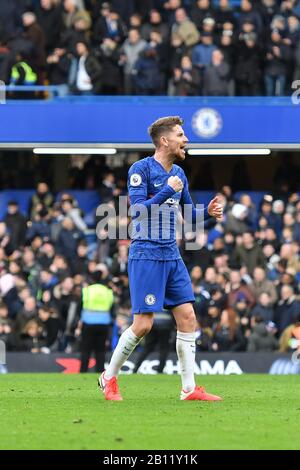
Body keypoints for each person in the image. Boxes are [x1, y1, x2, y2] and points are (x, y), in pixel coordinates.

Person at [98, 115, 223, 401]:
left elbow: (189, 216)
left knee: (188, 317)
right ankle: (109, 377)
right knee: (143, 325)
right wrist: (168, 190)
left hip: (171, 253)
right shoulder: (140, 169)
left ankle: (189, 389)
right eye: (181, 135)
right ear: (164, 140)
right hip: (146, 252)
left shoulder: (179, 173)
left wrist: (209, 214)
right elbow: (138, 211)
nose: (186, 139)